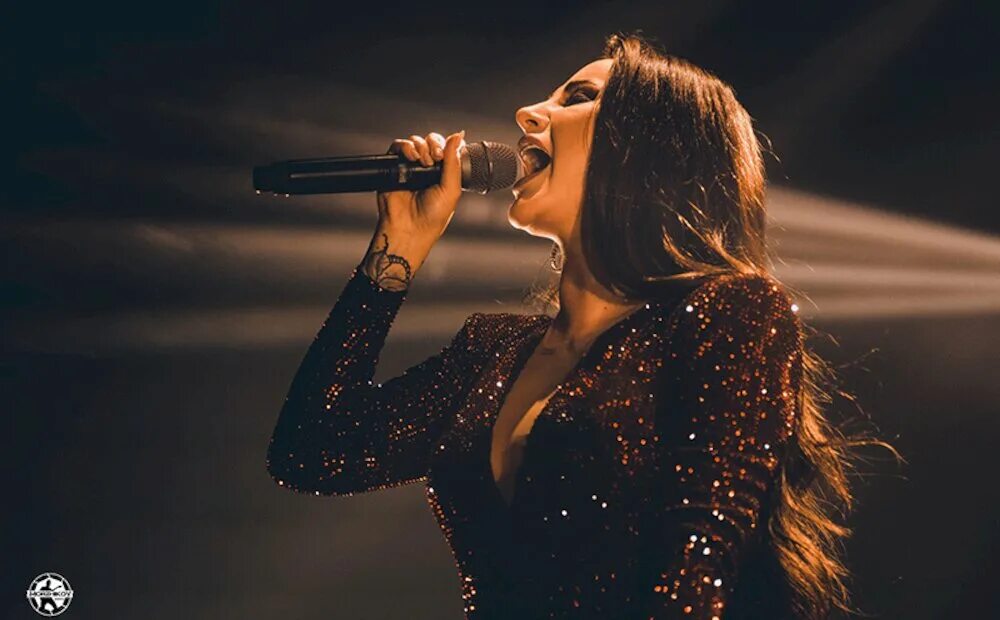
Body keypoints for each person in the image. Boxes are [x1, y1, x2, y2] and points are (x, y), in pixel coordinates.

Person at [267, 33, 886, 619]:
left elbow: (694, 570)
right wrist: (397, 249)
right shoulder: (493, 350)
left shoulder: (728, 312)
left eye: (579, 98)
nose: (527, 113)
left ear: (649, 146)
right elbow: (314, 452)